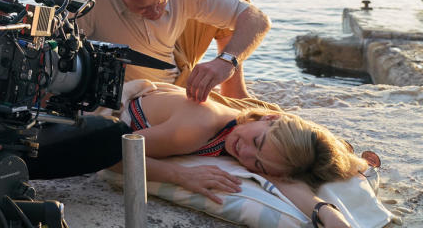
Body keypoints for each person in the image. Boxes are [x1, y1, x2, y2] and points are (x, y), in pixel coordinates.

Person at [26, 81, 364, 228]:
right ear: (270, 119)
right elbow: (111, 155)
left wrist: (326, 212)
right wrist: (181, 175)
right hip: (99, 115)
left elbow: (281, 180)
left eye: (256, 163)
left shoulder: (254, 136)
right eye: (256, 143)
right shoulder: (201, 126)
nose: (244, 153)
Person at [71, 0, 271, 103]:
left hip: (177, 54)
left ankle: (234, 90)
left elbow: (258, 20)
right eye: (143, 8)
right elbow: (47, 53)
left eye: (160, 0)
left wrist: (226, 62)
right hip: (154, 93)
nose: (156, 11)